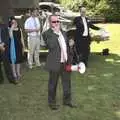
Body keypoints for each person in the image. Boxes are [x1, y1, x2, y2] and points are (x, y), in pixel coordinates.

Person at [42, 15, 76, 110]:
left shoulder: (64, 32)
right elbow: (51, 46)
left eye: (58, 21)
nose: (57, 23)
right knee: (53, 84)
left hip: (65, 62)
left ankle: (67, 101)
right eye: (54, 22)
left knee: (67, 83)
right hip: (54, 63)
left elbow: (66, 46)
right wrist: (56, 33)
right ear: (50, 23)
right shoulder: (46, 33)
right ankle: (52, 103)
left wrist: (70, 45)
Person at [8, 17, 25, 84]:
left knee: (18, 60)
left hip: (19, 46)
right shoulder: (9, 29)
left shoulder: (19, 29)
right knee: (13, 60)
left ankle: (18, 72)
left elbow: (22, 38)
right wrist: (12, 28)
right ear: (11, 23)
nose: (15, 23)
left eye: (15, 22)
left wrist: (23, 45)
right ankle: (14, 73)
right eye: (13, 22)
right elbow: (11, 37)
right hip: (13, 47)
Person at [0, 18, 13, 84]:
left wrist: (2, 44)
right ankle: (1, 80)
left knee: (7, 65)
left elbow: (7, 37)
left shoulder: (4, 26)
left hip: (3, 47)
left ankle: (11, 80)